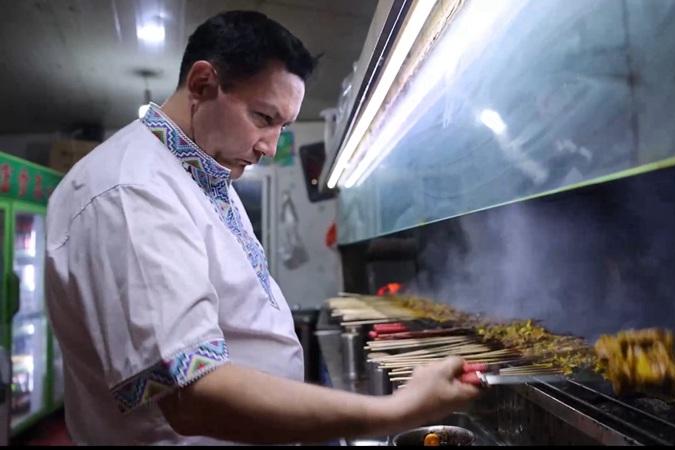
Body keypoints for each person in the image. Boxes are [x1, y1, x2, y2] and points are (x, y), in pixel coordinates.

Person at [44, 10, 480, 445]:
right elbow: (190, 394)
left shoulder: (205, 171)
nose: (269, 147)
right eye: (263, 117)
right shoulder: (132, 190)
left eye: (283, 126)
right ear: (202, 84)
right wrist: (395, 410)